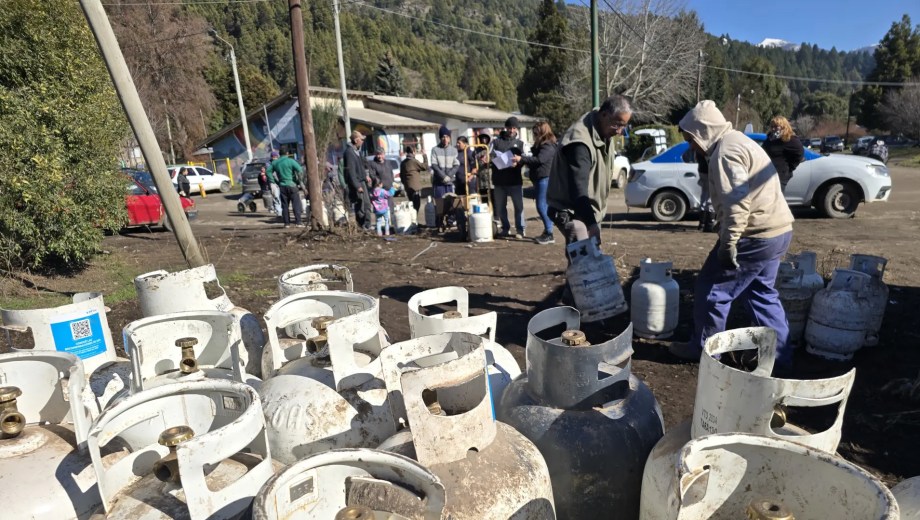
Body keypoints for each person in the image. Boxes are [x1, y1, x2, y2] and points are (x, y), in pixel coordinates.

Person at [670, 100, 795, 368]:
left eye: (691, 139)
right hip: (779, 230)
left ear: (703, 131)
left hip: (755, 234)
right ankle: (781, 358)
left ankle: (706, 351)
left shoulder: (725, 152)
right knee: (761, 294)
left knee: (712, 289)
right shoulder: (739, 140)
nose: (692, 146)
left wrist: (728, 244)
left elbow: (737, 203)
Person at [547, 94, 632, 247]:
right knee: (583, 257)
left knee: (586, 256)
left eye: (624, 126)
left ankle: (576, 268)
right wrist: (592, 225)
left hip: (587, 210)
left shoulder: (603, 129)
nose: (619, 131)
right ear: (604, 114)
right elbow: (578, 190)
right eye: (618, 125)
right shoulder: (580, 143)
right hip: (571, 210)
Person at [513, 121, 559, 245]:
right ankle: (547, 231)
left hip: (545, 178)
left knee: (542, 206)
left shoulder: (548, 145)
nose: (534, 135)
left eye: (536, 132)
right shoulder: (543, 144)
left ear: (542, 131)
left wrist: (521, 159)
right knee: (543, 206)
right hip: (540, 178)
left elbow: (540, 160)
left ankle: (549, 233)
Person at [492, 117, 525, 238]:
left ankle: (520, 230)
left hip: (515, 180)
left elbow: (524, 159)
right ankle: (505, 228)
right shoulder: (496, 142)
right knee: (500, 207)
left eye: (514, 128)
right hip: (499, 180)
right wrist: (493, 160)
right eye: (510, 127)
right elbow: (489, 156)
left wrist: (519, 163)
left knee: (518, 206)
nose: (511, 130)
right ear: (505, 128)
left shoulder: (520, 144)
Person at [762, 115, 804, 192]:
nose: (773, 128)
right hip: (767, 174)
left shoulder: (790, 139)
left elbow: (799, 154)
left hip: (780, 175)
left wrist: (789, 168)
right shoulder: (770, 139)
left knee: (776, 200)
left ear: (784, 127)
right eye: (772, 126)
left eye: (776, 126)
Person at [430, 125, 459, 231]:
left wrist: (449, 176)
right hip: (439, 182)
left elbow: (456, 165)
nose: (445, 139)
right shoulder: (435, 150)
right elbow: (434, 165)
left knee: (451, 203)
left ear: (450, 138)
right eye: (443, 137)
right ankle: (439, 224)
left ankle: (450, 223)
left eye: (447, 137)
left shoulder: (453, 150)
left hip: (450, 182)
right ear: (440, 138)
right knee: (439, 205)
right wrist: (443, 176)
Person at [268, 149, 304, 228]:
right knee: (296, 205)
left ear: (279, 154)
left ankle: (287, 223)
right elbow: (300, 170)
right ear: (287, 153)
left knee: (285, 205)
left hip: (282, 186)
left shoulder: (275, 162)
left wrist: (274, 181)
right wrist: (299, 180)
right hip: (292, 185)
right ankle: (298, 222)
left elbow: (268, 172)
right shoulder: (291, 161)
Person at [344, 130, 372, 231]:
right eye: (361, 139)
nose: (363, 141)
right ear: (356, 140)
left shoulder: (357, 152)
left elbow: (360, 167)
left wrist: (366, 176)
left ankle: (367, 225)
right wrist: (357, 185)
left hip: (362, 181)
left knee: (367, 204)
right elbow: (351, 171)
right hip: (357, 183)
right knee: (361, 206)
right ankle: (362, 226)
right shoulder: (349, 153)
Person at [452, 135, 479, 236]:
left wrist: (470, 177)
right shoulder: (456, 153)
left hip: (469, 185)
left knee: (471, 207)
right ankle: (461, 228)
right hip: (459, 184)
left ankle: (473, 228)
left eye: (459, 143)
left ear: (465, 143)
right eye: (457, 142)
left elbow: (474, 168)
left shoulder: (469, 153)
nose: (457, 144)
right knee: (458, 206)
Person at [400, 145, 427, 212]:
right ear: (413, 152)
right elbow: (425, 167)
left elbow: (401, 175)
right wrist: (424, 155)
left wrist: (405, 183)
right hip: (415, 188)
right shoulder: (414, 161)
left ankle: (413, 220)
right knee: (417, 205)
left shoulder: (403, 163)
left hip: (407, 186)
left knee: (411, 204)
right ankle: (415, 220)